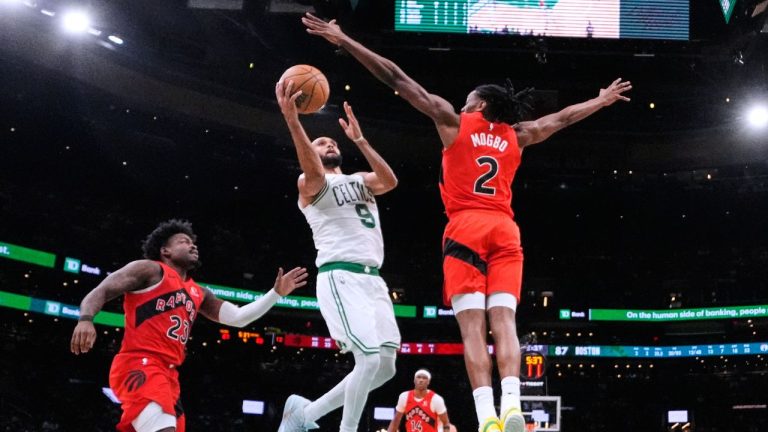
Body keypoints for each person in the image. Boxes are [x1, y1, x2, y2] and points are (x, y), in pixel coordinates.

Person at [301, 13, 632, 432]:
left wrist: (344, 39)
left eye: (466, 100)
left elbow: (397, 78)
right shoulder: (519, 133)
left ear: (478, 105)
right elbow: (562, 118)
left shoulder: (454, 122)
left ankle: (487, 418)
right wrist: (600, 100)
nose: (460, 104)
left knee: (473, 329)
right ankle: (513, 404)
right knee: (505, 322)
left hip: (466, 228)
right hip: (505, 229)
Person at [70, 219, 308, 432]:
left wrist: (276, 294)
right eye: (184, 241)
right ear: (166, 251)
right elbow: (100, 291)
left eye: (193, 242)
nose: (193, 245)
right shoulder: (149, 270)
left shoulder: (199, 292)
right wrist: (86, 319)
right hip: (140, 363)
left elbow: (239, 318)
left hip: (170, 374)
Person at [275, 80, 401, 432]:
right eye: (320, 143)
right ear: (309, 153)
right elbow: (313, 170)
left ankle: (305, 415)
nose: (329, 143)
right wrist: (293, 122)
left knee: (386, 365)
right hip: (340, 275)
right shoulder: (310, 183)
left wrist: (360, 140)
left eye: (332, 141)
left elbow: (389, 181)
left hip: (373, 279)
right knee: (368, 358)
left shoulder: (360, 179)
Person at [387, 369, 452, 432]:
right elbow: (396, 420)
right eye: (418, 377)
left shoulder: (436, 399)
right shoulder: (404, 397)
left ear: (428, 382)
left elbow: (446, 423)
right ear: (414, 380)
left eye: (424, 378)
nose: (421, 380)